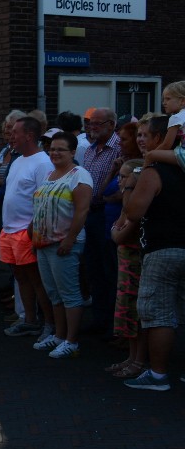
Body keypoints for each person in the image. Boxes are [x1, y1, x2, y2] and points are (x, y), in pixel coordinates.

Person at [122, 135, 185, 391]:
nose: (143, 141)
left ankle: (158, 375)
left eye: (148, 135)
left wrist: (130, 187)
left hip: (163, 248)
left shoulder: (155, 171)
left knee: (158, 313)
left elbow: (134, 211)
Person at [29, 132, 92, 358]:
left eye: (60, 149)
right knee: (54, 293)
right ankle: (58, 335)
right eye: (52, 149)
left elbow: (82, 210)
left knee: (70, 293)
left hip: (64, 244)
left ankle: (71, 341)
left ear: (73, 152)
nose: (54, 153)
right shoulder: (50, 174)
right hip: (44, 243)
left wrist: (70, 238)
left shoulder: (79, 175)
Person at [0, 116, 55, 342]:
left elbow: (45, 199)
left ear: (29, 136)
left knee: (36, 279)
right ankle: (29, 320)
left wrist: (33, 229)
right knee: (21, 277)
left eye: (14, 132)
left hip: (26, 230)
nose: (11, 135)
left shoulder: (43, 163)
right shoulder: (18, 160)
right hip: (9, 229)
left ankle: (49, 324)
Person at [80, 107, 121, 337]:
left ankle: (114, 324)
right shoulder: (89, 150)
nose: (91, 128)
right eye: (89, 123)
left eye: (97, 123)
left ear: (111, 125)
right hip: (90, 213)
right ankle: (100, 318)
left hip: (108, 212)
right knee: (93, 267)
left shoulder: (120, 147)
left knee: (109, 268)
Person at [107, 162, 147, 378]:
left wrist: (116, 229)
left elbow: (120, 233)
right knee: (127, 313)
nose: (119, 181)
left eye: (124, 177)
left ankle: (138, 360)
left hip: (136, 266)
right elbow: (118, 225)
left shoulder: (136, 205)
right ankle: (131, 357)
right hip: (126, 266)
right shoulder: (126, 204)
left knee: (136, 314)